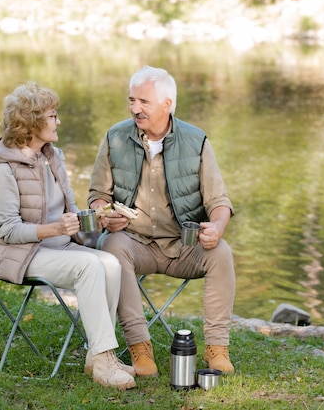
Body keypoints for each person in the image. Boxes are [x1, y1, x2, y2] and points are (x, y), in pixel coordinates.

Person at [0, 81, 136, 390]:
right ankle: (105, 359)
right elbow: (7, 231)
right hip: (21, 255)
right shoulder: (3, 170)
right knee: (89, 266)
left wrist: (100, 220)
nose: (58, 122)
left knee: (109, 263)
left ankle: (97, 355)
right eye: (53, 115)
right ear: (31, 121)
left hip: (60, 247)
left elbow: (70, 214)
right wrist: (53, 229)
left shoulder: (53, 157)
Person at [88, 65, 236, 377]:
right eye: (131, 100)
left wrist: (217, 227)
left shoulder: (197, 141)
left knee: (221, 252)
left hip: (184, 247)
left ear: (167, 104)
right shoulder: (114, 138)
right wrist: (105, 214)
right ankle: (140, 349)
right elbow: (97, 195)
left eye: (143, 102)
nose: (134, 108)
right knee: (110, 245)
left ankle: (217, 349)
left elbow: (219, 202)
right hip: (135, 243)